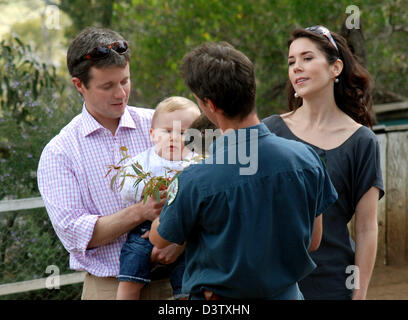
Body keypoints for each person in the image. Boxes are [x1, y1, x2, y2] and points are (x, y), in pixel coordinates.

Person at [149, 41, 338, 300]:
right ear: (251, 89)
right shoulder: (306, 158)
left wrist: (163, 209)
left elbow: (160, 239)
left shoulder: (197, 179)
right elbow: (313, 242)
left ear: (210, 105)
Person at [37, 27, 182, 300]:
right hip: (108, 288)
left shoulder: (160, 125)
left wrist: (181, 242)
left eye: (125, 81)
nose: (121, 94)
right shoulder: (60, 152)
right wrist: (141, 211)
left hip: (174, 284)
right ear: (79, 85)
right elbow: (75, 233)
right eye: (107, 86)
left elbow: (204, 185)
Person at [263, 26, 385, 300]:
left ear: (335, 68)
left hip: (333, 283)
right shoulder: (269, 131)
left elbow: (366, 228)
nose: (296, 68)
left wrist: (359, 293)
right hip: (273, 283)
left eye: (307, 58)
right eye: (291, 62)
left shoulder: (362, 141)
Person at [116, 96, 200, 300]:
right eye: (167, 131)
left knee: (187, 285)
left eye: (182, 133)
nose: (174, 137)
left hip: (182, 235)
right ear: (153, 135)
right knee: (130, 274)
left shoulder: (197, 164)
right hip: (144, 230)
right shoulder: (143, 161)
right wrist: (147, 190)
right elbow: (124, 186)